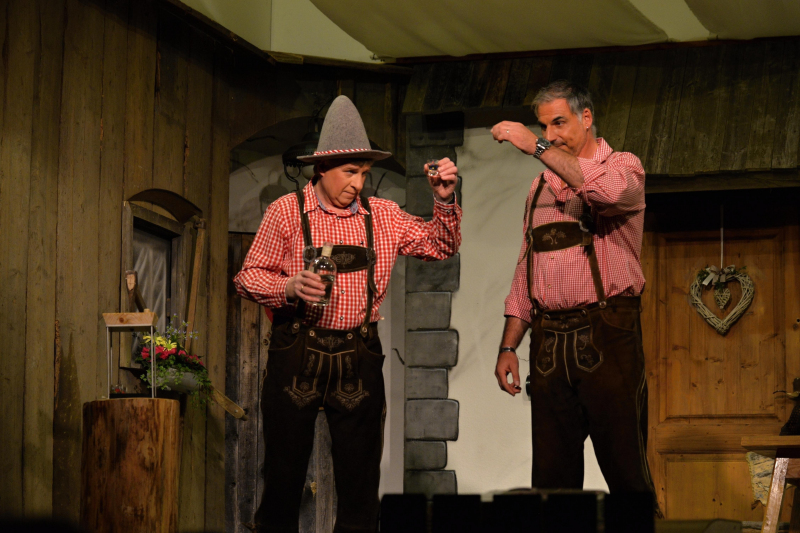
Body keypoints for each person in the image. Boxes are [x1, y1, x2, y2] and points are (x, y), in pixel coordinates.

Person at [233, 95, 461, 532]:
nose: (358, 183)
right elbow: (247, 278)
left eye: (363, 173)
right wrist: (287, 286)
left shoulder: (384, 215)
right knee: (283, 479)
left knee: (360, 486)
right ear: (322, 168)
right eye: (350, 172)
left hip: (358, 354)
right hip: (297, 350)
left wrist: (445, 201)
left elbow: (440, 245)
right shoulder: (286, 211)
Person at [491, 80, 656, 498]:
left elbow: (606, 192)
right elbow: (526, 269)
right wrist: (509, 346)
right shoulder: (540, 188)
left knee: (626, 471)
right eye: (544, 127)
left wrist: (535, 148)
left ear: (586, 117)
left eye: (559, 123)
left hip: (607, 333)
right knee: (552, 482)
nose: (551, 135)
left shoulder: (624, 166)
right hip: (549, 341)